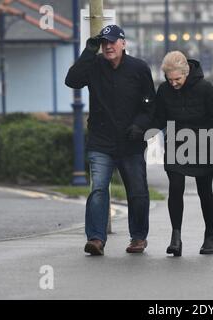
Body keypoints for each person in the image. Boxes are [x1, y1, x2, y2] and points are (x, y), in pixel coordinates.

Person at [65, 25, 155, 256]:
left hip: (131, 142)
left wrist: (140, 126)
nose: (108, 46)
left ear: (123, 43)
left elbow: (150, 105)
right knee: (99, 190)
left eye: (112, 42)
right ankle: (95, 238)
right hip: (101, 141)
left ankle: (138, 237)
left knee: (137, 192)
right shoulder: (94, 66)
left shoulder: (139, 68)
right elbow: (72, 80)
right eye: (104, 42)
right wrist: (88, 52)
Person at [154, 51, 213, 256]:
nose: (173, 83)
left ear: (186, 73)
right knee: (175, 188)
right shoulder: (164, 91)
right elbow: (158, 119)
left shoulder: (205, 88)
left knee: (204, 191)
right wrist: (140, 130)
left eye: (177, 79)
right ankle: (176, 237)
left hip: (204, 143)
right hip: (176, 144)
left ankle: (210, 234)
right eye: (169, 80)